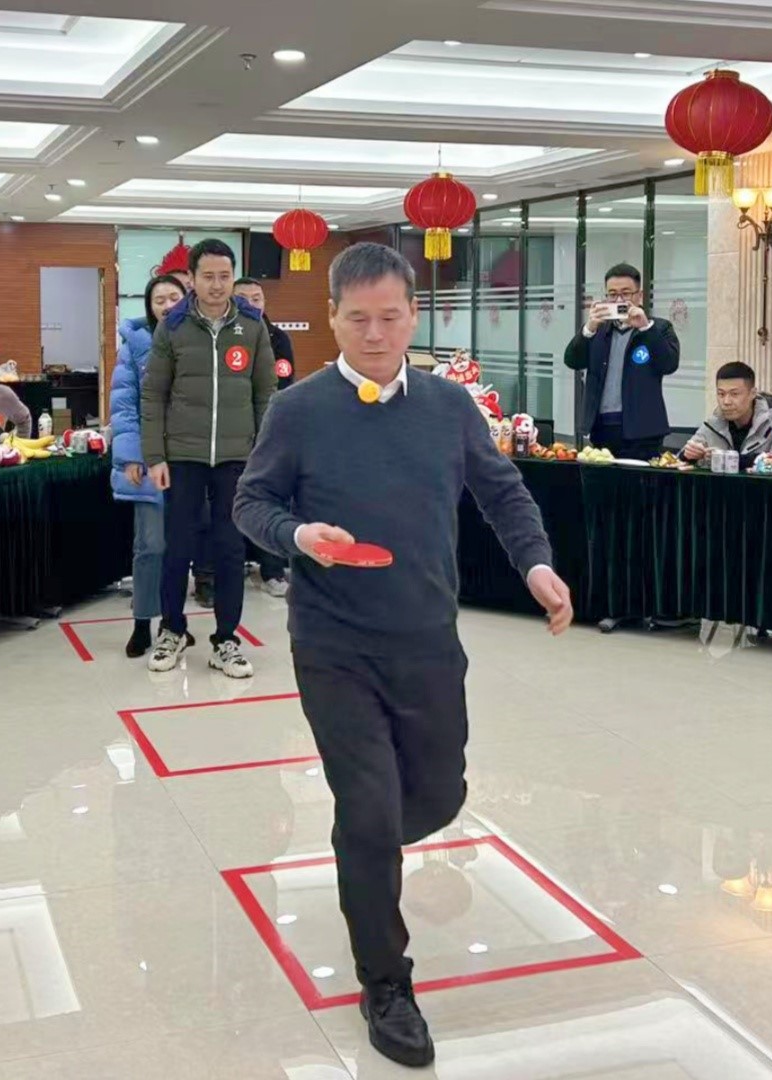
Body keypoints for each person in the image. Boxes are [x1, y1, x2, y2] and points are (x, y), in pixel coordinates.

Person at [234, 242, 572, 1069]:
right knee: (368, 813)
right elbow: (252, 501)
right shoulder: (300, 409)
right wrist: (297, 536)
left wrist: (535, 563)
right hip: (333, 643)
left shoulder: (449, 407)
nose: (375, 334)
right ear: (331, 319)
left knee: (437, 793)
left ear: (415, 316)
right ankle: (385, 983)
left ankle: (379, 836)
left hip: (426, 639)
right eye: (358, 319)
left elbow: (502, 492)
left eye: (390, 317)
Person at [142, 238, 278, 678]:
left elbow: (266, 395)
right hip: (183, 455)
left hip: (238, 458)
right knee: (176, 546)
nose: (217, 285)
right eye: (208, 277)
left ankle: (226, 640)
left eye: (224, 276)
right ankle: (172, 630)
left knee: (230, 548)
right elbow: (153, 394)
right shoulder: (173, 326)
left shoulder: (253, 326)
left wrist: (264, 455)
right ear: (192, 279)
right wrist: (155, 455)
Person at [111, 274, 191, 658]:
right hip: (147, 459)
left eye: (174, 297)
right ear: (149, 306)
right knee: (150, 545)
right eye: (159, 299)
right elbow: (123, 405)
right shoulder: (134, 345)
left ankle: (172, 624)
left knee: (180, 547)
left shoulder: (198, 340)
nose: (167, 305)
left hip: (190, 460)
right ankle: (142, 622)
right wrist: (130, 456)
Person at [563, 263, 680, 458]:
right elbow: (572, 361)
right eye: (612, 294)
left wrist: (645, 328)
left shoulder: (658, 328)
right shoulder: (598, 329)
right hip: (601, 428)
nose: (618, 300)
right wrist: (588, 329)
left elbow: (669, 364)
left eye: (625, 293)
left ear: (639, 296)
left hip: (643, 432)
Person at [235, 276, 296, 598]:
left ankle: (272, 570)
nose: (251, 304)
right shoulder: (221, 337)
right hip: (230, 435)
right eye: (243, 298)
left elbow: (284, 385)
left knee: (270, 501)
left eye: (256, 298)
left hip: (268, 433)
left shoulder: (277, 338)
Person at [682, 362, 772, 468]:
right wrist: (689, 455)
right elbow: (679, 459)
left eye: (734, 394)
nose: (726, 401)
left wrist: (729, 459)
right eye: (721, 394)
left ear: (752, 393)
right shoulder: (713, 425)